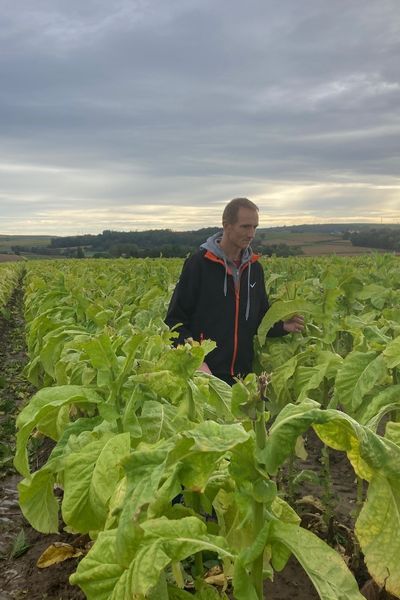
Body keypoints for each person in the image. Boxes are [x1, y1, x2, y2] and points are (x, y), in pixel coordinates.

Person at [165, 197, 304, 385]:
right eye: (245, 227)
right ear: (227, 226)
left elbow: (259, 318)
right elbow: (174, 322)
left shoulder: (255, 269)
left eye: (255, 227)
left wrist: (282, 327)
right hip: (204, 375)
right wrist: (195, 359)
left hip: (242, 377)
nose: (251, 233)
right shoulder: (198, 265)